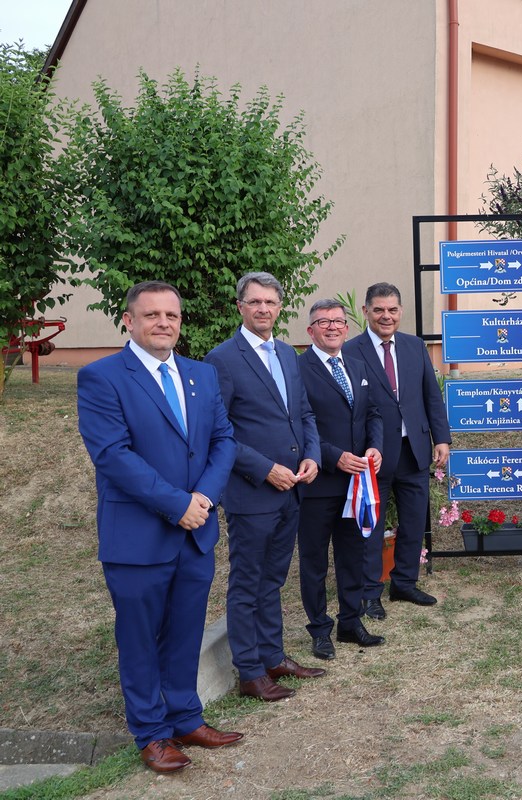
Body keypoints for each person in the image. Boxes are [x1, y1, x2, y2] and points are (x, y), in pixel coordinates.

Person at [78, 281, 242, 773]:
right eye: (152, 315)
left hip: (195, 532)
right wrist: (178, 505)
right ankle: (151, 733)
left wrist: (204, 498)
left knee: (186, 631)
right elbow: (113, 456)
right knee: (140, 639)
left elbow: (224, 439)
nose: (163, 323)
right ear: (129, 321)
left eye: (171, 315)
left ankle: (186, 718)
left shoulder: (201, 374)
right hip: (138, 537)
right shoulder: (102, 377)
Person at [206, 272, 326, 701]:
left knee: (272, 580)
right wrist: (264, 469)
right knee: (247, 584)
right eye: (255, 302)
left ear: (279, 307)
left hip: (292, 489)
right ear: (240, 307)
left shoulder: (288, 354)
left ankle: (273, 657)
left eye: (270, 302)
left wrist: (312, 455)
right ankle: (250, 672)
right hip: (252, 492)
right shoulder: (221, 359)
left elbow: (304, 414)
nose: (263, 309)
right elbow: (218, 431)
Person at [343, 282, 450, 613]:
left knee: (415, 521)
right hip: (372, 454)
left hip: (414, 448)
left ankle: (404, 583)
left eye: (392, 310)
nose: (386, 316)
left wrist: (441, 438)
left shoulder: (414, 346)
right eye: (378, 310)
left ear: (400, 311)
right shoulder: (350, 351)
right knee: (371, 526)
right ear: (366, 312)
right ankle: (370, 592)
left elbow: (431, 395)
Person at [297, 299, 386, 661]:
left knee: (353, 555)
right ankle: (320, 629)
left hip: (356, 485)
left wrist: (375, 447)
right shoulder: (297, 369)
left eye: (338, 321)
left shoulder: (357, 365)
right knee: (314, 561)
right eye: (324, 322)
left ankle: (350, 621)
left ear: (347, 328)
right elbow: (298, 426)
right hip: (318, 484)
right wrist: (333, 456)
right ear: (310, 330)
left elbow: (374, 413)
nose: (332, 327)